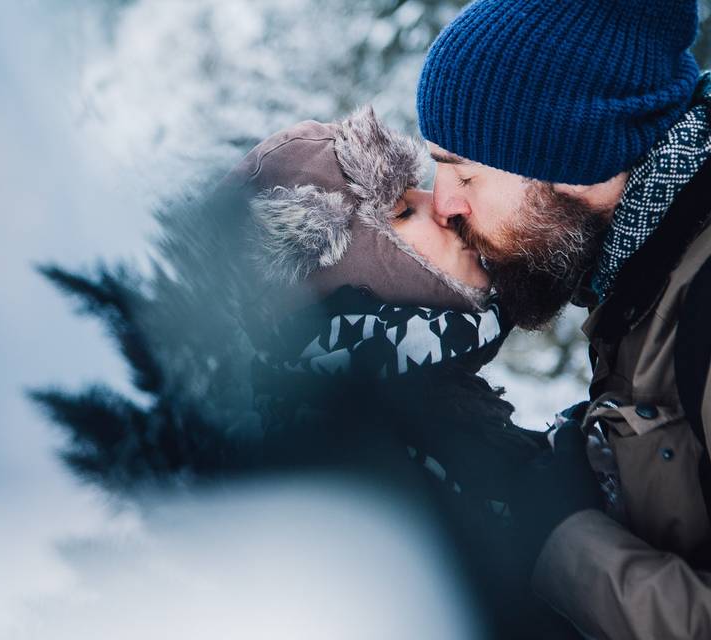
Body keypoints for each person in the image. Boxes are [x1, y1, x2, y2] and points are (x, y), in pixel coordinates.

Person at [416, 0, 711, 637]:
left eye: (463, 171)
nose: (443, 205)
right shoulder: (645, 272)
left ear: (573, 154)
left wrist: (565, 541)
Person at [223, 106, 575, 638]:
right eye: (402, 211)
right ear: (344, 280)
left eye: (416, 190)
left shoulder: (412, 401)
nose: (444, 206)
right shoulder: (351, 460)